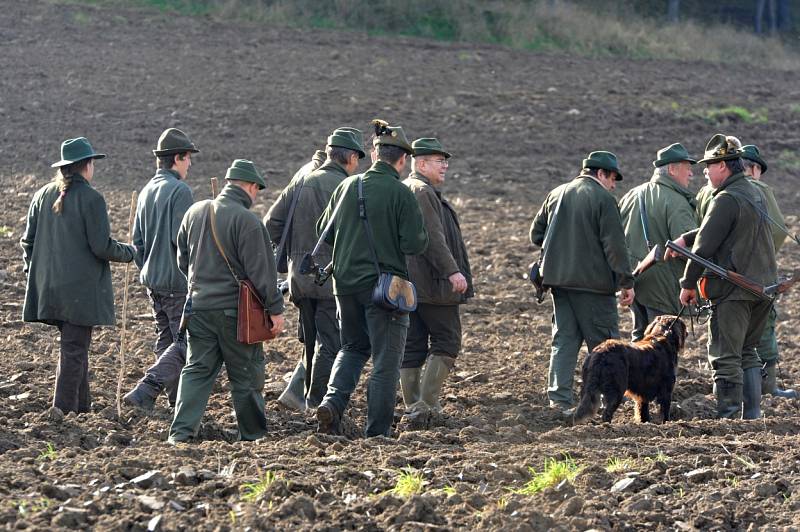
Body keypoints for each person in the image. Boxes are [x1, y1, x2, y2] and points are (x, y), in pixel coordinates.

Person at [315, 120, 428, 437]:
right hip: (384, 290)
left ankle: (333, 403)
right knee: (386, 362)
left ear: (376, 154)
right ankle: (377, 433)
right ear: (402, 160)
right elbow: (415, 244)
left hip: (344, 286)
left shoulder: (347, 186)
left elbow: (321, 232)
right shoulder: (401, 193)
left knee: (351, 348)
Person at [168, 159, 285, 443]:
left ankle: (180, 434)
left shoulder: (194, 212)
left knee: (196, 371)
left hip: (197, 308)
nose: (256, 195)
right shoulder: (248, 221)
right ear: (249, 186)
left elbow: (183, 260)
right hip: (236, 313)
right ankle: (253, 434)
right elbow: (262, 274)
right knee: (246, 374)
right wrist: (275, 310)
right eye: (257, 189)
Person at [21, 137, 136, 414]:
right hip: (79, 293)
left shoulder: (41, 195)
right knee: (74, 350)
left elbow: (28, 242)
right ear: (86, 165)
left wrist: (34, 274)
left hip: (49, 290)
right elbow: (101, 246)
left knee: (76, 347)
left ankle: (82, 410)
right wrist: (130, 252)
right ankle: (61, 411)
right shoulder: (91, 199)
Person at [670, 134, 777, 419]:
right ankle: (752, 416)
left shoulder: (726, 198)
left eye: (709, 164)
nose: (704, 170)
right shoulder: (754, 192)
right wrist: (687, 237)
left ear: (724, 166)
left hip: (734, 291)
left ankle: (729, 417)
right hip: (763, 289)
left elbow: (704, 247)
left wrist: (687, 284)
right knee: (748, 351)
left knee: (725, 355)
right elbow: (720, 228)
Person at [265, 128, 366, 411]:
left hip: (298, 277)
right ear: (350, 158)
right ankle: (316, 402)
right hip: (329, 277)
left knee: (311, 343)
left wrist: (294, 250)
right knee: (331, 343)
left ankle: (305, 397)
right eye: (357, 157)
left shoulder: (302, 181)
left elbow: (271, 224)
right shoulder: (347, 186)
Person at [529, 151, 634, 414]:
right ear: (600, 174)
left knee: (564, 341)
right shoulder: (603, 199)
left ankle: (559, 400)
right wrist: (626, 282)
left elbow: (536, 234)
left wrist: (563, 251)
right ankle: (606, 403)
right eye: (612, 178)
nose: (613, 184)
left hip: (559, 284)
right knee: (605, 347)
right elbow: (615, 247)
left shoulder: (557, 193)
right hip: (594, 288)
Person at [124, 128, 199, 411]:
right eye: (188, 158)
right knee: (188, 341)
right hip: (177, 283)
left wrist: (149, 271)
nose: (189, 164)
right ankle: (147, 389)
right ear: (177, 158)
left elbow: (137, 243)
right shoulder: (180, 191)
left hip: (153, 282)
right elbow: (184, 242)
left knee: (166, 339)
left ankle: (174, 401)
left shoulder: (146, 191)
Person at [400, 137, 473, 425]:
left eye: (446, 161)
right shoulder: (422, 191)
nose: (445, 166)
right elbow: (433, 238)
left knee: (413, 344)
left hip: (412, 285)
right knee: (447, 340)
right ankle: (426, 405)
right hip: (433, 285)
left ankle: (414, 406)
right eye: (438, 160)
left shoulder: (410, 188)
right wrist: (452, 271)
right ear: (420, 163)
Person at [618, 143, 698, 340]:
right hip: (663, 287)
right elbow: (690, 249)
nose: (691, 174)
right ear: (672, 169)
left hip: (636, 281)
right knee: (663, 343)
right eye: (687, 168)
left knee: (639, 339)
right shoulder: (677, 202)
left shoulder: (631, 195)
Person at [740, 145, 797, 399]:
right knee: (763, 328)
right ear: (752, 168)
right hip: (756, 276)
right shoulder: (759, 189)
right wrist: (763, 256)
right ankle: (768, 388)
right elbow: (777, 231)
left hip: (721, 275)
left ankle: (729, 389)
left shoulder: (711, 190)